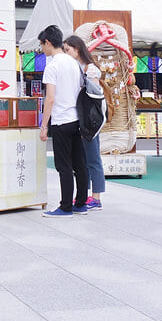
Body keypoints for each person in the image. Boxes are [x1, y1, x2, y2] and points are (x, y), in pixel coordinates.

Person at [37, 25, 89, 218]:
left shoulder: (52, 66)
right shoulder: (74, 63)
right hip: (77, 119)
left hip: (61, 121)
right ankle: (81, 203)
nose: (42, 48)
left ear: (48, 42)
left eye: (42, 45)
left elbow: (49, 98)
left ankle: (66, 206)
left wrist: (44, 126)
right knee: (79, 164)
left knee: (64, 165)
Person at [63, 35, 105, 211]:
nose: (66, 53)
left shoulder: (90, 69)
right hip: (81, 119)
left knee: (93, 158)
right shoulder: (76, 67)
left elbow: (93, 96)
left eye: (68, 50)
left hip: (89, 121)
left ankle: (96, 197)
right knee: (83, 160)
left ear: (77, 49)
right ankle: (86, 195)